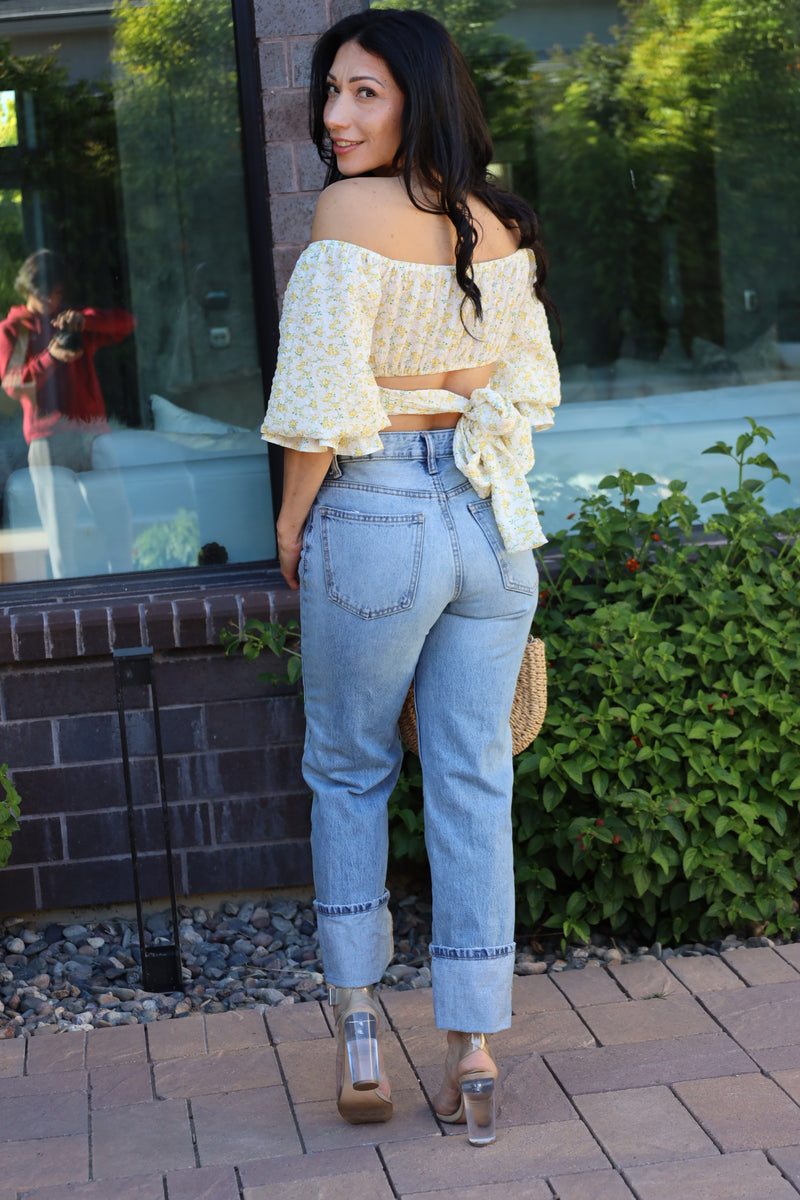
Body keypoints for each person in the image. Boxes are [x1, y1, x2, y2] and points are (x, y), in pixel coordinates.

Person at [261, 8, 560, 1144]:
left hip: (374, 506)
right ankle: (473, 1055)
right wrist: (450, 379)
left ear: (418, 96)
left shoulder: (346, 213)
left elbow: (317, 397)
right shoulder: (495, 221)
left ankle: (355, 1035)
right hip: (491, 524)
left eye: (363, 94)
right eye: (330, 92)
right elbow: (521, 381)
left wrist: (295, 522)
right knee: (475, 781)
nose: (335, 118)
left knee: (345, 768)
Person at [0, 249, 135, 577]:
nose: (49, 299)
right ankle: (68, 615)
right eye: (43, 292)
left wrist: (85, 321)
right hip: (48, 440)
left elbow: (126, 324)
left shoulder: (71, 318)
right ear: (28, 290)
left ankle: (127, 592)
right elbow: (14, 385)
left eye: (55, 292)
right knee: (61, 540)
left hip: (90, 433)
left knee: (118, 526)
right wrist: (51, 357)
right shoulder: (15, 328)